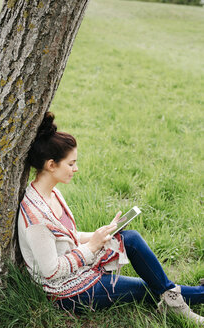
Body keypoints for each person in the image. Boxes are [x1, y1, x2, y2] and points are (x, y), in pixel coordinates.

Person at [18, 112, 204, 324]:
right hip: (67, 292)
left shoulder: (53, 194)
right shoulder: (36, 219)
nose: (75, 169)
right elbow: (50, 272)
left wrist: (101, 234)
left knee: (130, 237)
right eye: (71, 164)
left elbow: (68, 238)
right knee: (147, 288)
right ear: (51, 165)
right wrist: (91, 248)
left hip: (81, 270)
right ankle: (190, 297)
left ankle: (178, 297)